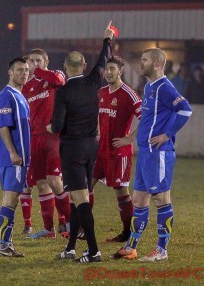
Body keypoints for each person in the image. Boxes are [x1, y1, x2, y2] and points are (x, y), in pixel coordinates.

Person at [111, 48, 192, 261]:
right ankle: (131, 247)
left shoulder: (165, 87)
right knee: (138, 199)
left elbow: (185, 110)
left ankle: (161, 250)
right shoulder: (149, 87)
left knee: (161, 200)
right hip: (146, 154)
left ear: (157, 63)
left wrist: (167, 134)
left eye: (144, 60)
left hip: (159, 154)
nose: (141, 63)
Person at [47, 21, 114, 263]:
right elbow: (103, 60)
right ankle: (71, 247)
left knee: (80, 199)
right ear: (84, 66)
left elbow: (57, 125)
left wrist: (51, 126)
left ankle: (94, 250)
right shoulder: (94, 81)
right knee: (78, 198)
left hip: (72, 149)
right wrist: (107, 40)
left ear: (65, 67)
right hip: (91, 146)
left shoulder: (63, 92)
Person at [20, 48, 70, 239]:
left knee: (55, 181)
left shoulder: (54, 75)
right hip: (34, 139)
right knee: (41, 183)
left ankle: (68, 221)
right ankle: (49, 229)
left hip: (53, 138)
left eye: (38, 60)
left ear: (46, 61)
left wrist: (38, 70)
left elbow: (59, 81)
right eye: (31, 61)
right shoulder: (26, 86)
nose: (33, 64)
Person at [92, 56, 142, 243]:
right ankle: (82, 228)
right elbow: (98, 114)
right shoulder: (102, 92)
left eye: (112, 69)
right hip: (100, 150)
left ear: (120, 71)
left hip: (118, 153)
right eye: (106, 69)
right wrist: (97, 132)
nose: (109, 72)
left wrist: (129, 138)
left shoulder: (129, 94)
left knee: (121, 192)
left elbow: (145, 117)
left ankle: (127, 233)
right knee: (86, 185)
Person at [0, 57, 30, 257]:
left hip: (18, 158)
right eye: (19, 70)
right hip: (13, 159)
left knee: (12, 199)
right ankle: (2, 244)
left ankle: (4, 243)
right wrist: (13, 152)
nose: (24, 73)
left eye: (26, 70)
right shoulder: (8, 95)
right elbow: (3, 126)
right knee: (10, 199)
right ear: (10, 72)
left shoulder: (19, 95)